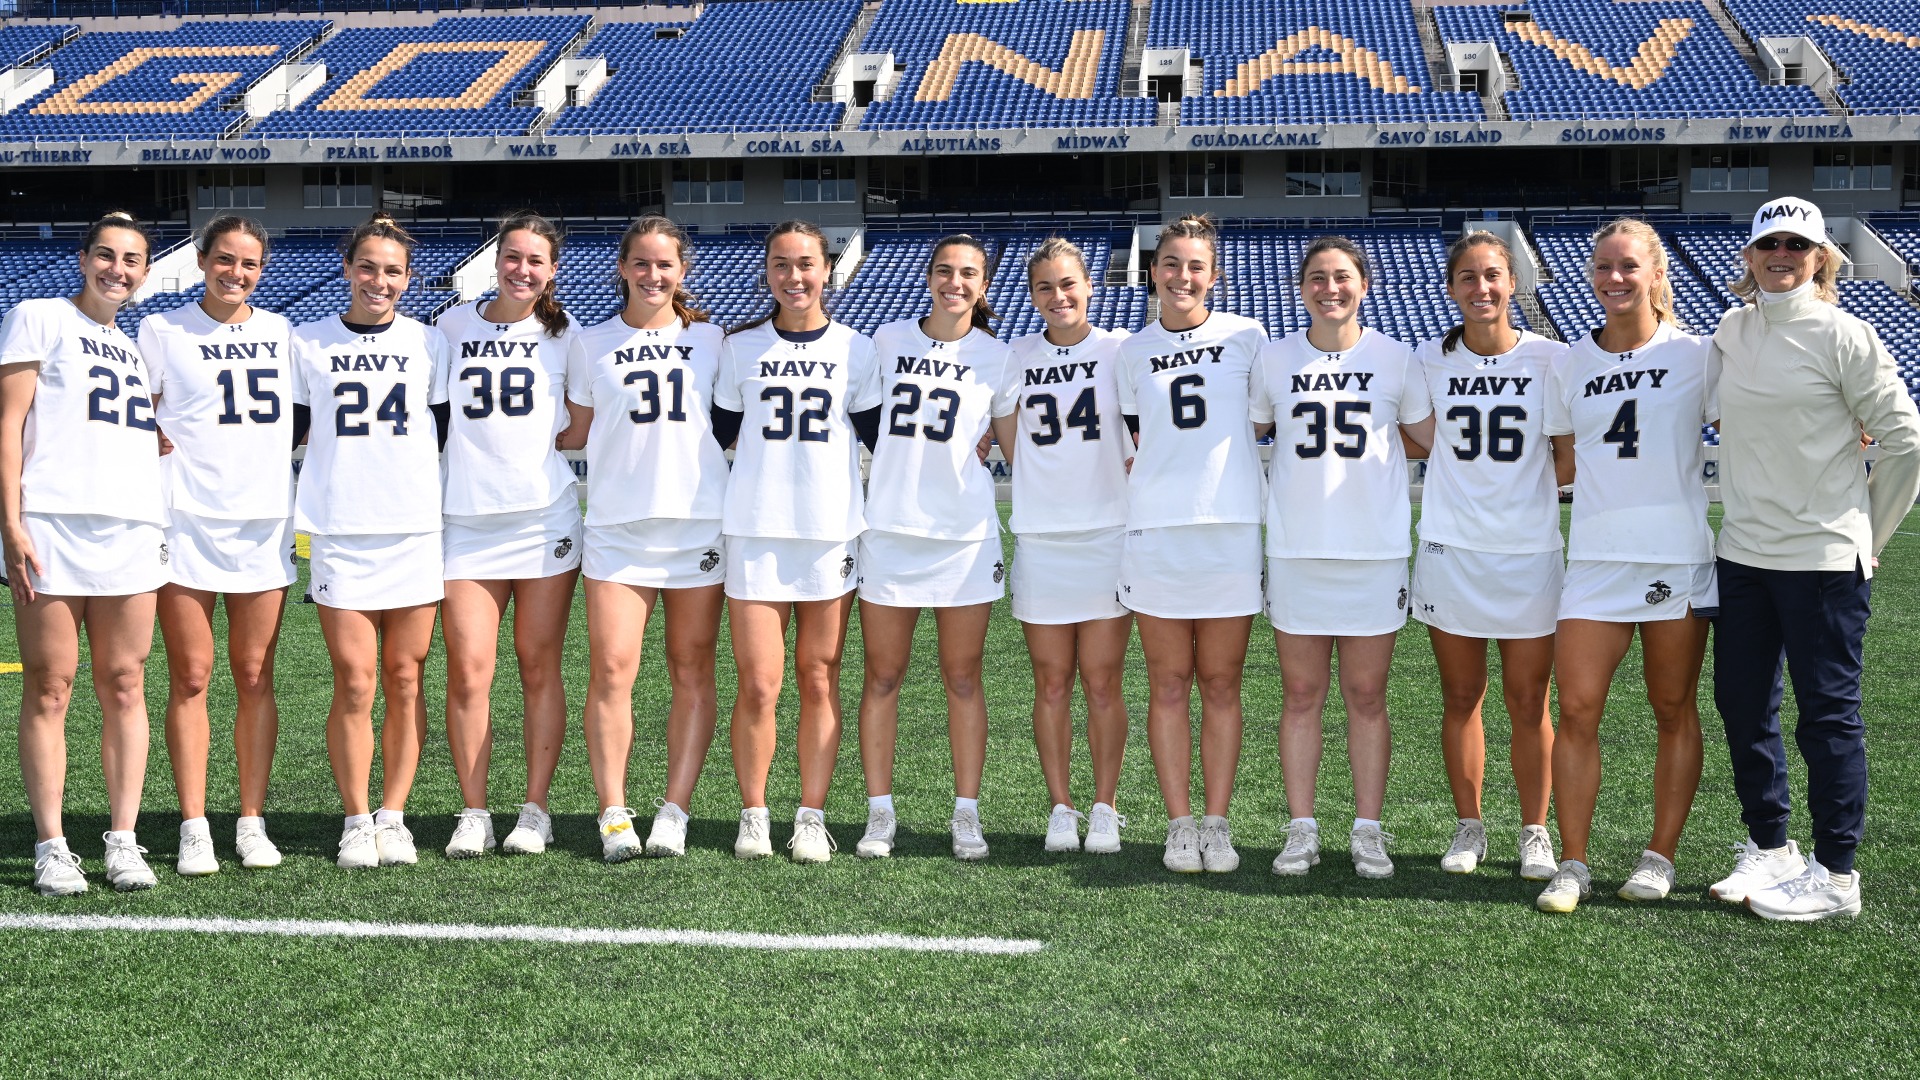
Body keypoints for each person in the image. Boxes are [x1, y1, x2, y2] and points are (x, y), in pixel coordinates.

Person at [1708, 197, 1920, 921]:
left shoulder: (1846, 335)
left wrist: (1871, 536)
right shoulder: (1732, 331)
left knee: (1826, 718)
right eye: (1769, 242)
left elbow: (1905, 439)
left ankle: (1836, 876)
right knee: (1741, 703)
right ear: (1750, 255)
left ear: (1821, 257)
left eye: (1797, 245)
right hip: (1743, 554)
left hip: (1824, 559)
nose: (1781, 254)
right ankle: (1771, 848)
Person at [1535, 217, 1718, 913]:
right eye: (1604, 267)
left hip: (1676, 555)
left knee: (1672, 706)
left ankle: (1659, 855)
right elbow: (1562, 456)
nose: (1615, 279)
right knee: (1577, 708)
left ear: (1655, 273)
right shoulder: (1567, 362)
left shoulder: (1699, 356)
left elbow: (1755, 417)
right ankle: (1574, 861)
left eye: (1628, 266)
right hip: (1595, 561)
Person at [1254, 236, 1434, 881]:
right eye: (1317, 278)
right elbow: (1246, 431)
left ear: (1365, 284)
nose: (1330, 289)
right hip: (1298, 548)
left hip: (1373, 550)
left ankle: (1367, 829)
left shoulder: (1397, 358)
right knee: (1300, 695)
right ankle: (1301, 828)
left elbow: (1426, 437)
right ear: (1301, 287)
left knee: (1367, 695)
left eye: (1342, 278)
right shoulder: (1273, 361)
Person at [2, 211, 167, 895]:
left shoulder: (130, 346)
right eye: (106, 255)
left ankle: (123, 841)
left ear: (146, 272)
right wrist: (11, 522)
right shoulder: (38, 315)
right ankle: (51, 844)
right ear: (83, 258)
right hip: (53, 525)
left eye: (131, 260)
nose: (117, 269)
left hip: (130, 528)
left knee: (126, 684)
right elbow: (8, 424)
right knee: (51, 686)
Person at [563, 215, 728, 863]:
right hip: (616, 530)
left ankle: (675, 809)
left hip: (697, 528)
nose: (653, 275)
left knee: (692, 670)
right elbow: (572, 432)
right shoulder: (589, 342)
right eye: (641, 263)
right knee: (610, 671)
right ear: (622, 268)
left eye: (665, 265)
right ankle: (612, 813)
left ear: (681, 270)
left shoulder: (715, 340)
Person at [716, 220, 882, 864]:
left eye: (806, 264)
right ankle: (754, 811)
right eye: (781, 264)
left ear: (827, 270)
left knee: (819, 678)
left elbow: (878, 440)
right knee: (759, 684)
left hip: (828, 531)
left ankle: (810, 814)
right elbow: (715, 435)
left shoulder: (856, 350)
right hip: (756, 530)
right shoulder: (739, 350)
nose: (794, 276)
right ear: (767, 273)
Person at [290, 213, 451, 870]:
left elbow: (439, 433)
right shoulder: (307, 342)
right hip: (339, 531)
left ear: (408, 279)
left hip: (413, 529)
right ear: (347, 268)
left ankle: (394, 814)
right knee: (355, 681)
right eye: (368, 267)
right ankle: (356, 819)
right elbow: (288, 432)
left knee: (405, 678)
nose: (378, 280)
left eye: (392, 270)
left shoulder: (430, 343)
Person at [855, 234, 1020, 863]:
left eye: (969, 274)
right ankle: (879, 813)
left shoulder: (999, 358)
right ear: (928, 276)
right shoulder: (886, 342)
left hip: (964, 536)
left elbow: (1012, 445)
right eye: (946, 271)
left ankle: (966, 814)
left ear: (983, 288)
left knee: (963, 677)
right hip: (891, 530)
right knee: (883, 676)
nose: (955, 282)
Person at [139, 215, 296, 875]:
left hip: (262, 523)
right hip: (187, 522)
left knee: (256, 675)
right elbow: (132, 413)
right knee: (192, 676)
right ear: (202, 260)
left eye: (250, 264)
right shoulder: (162, 330)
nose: (237, 273)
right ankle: (196, 823)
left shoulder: (281, 332)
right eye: (226, 259)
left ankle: (252, 821)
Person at [1408, 231, 1564, 882]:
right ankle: (1470, 824)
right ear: (1451, 288)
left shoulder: (1551, 359)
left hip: (1528, 552)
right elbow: (1416, 441)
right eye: (1468, 278)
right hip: (1451, 549)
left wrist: (1511, 502)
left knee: (1530, 700)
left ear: (1512, 283)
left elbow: (1568, 458)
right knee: (1461, 694)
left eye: (1493, 276)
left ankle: (1535, 830)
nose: (1482, 288)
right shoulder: (1427, 361)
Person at [1115, 214, 1267, 874]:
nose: (1182, 276)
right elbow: (1133, 435)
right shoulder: (1131, 351)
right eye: (1171, 263)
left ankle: (1217, 822)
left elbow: (1264, 423)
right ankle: (1179, 824)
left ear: (1215, 275)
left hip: (1230, 530)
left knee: (1222, 683)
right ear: (1154, 271)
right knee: (1169, 684)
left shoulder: (1248, 338)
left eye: (1195, 265)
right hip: (1157, 533)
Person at [434, 211, 581, 858]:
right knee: (469, 672)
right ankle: (473, 810)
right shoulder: (450, 325)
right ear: (496, 260)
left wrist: (528, 458)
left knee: (537, 666)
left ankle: (534, 808)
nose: (523, 269)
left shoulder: (566, 334)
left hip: (543, 519)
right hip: (465, 523)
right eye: (513, 256)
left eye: (537, 260)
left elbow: (578, 425)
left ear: (553, 270)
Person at [1009, 237, 1133, 854]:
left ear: (1090, 286)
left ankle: (1104, 805)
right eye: (1044, 287)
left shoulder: (1121, 351)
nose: (1058, 297)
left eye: (1068, 284)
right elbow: (1004, 436)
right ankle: (1061, 806)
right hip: (1042, 534)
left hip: (1109, 532)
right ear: (1031, 295)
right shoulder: (1015, 357)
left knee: (1103, 680)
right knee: (1052, 680)